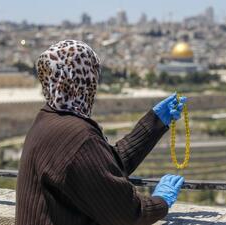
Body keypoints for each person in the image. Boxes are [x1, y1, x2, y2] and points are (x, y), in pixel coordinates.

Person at [15, 40, 187, 225]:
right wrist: (161, 201)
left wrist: (154, 123)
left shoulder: (48, 119)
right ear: (86, 81)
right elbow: (126, 213)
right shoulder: (78, 136)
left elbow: (102, 167)